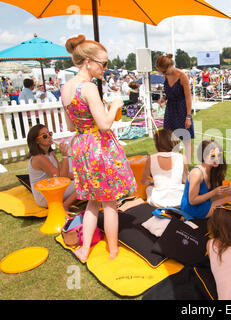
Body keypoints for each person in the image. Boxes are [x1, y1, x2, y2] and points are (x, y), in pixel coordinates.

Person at [62, 34, 137, 261]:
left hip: (82, 146)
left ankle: (84, 250)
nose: (106, 68)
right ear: (88, 62)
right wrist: (114, 105)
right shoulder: (89, 88)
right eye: (103, 63)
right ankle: (113, 250)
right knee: (110, 201)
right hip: (99, 147)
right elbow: (104, 125)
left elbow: (71, 125)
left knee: (93, 201)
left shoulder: (67, 88)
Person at [26, 124, 78, 212]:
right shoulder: (39, 158)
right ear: (37, 141)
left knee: (84, 180)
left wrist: (79, 175)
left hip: (52, 187)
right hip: (45, 195)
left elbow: (62, 172)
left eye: (50, 133)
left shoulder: (50, 153)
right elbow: (62, 177)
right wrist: (65, 155)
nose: (49, 137)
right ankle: (65, 206)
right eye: (45, 136)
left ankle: (65, 203)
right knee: (84, 184)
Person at [156, 54, 194, 162]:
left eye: (163, 71)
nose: (162, 74)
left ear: (170, 66)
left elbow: (188, 98)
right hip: (170, 110)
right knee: (170, 139)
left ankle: (186, 165)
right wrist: (164, 98)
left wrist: (188, 117)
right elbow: (170, 93)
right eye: (161, 72)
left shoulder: (182, 76)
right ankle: (178, 162)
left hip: (182, 110)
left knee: (186, 139)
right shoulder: (166, 76)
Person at [140, 129, 188, 208]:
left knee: (148, 189)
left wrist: (152, 182)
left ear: (157, 143)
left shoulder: (151, 158)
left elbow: (143, 181)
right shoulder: (182, 157)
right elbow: (184, 180)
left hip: (158, 201)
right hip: (179, 199)